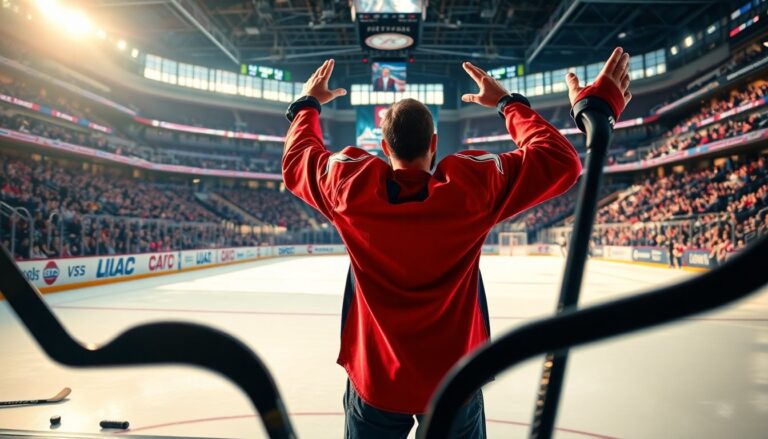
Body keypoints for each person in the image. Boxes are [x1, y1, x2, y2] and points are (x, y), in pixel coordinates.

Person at [282, 47, 631, 438]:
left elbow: (297, 159)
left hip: (376, 380)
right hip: (456, 380)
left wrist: (308, 105)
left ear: (384, 147)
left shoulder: (349, 188)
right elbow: (562, 162)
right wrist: (507, 103)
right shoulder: (471, 188)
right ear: (434, 143)